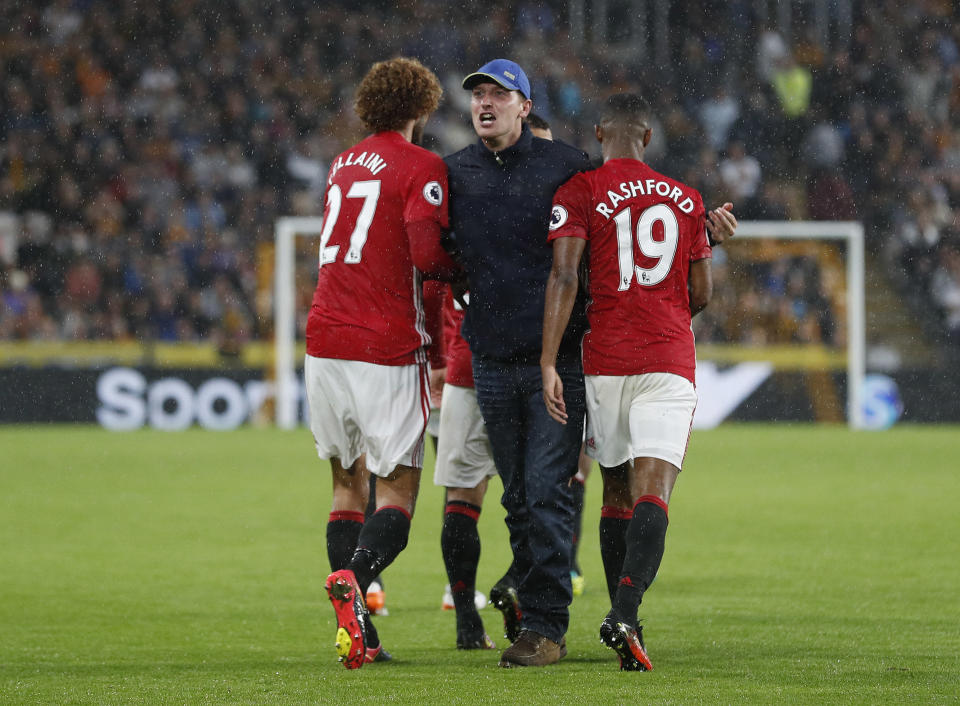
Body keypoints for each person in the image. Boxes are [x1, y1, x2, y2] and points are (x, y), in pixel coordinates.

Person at [540, 92, 725, 671]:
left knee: (615, 491)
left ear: (600, 133)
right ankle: (625, 610)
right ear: (647, 138)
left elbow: (566, 276)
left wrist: (550, 359)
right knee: (655, 490)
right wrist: (662, 314)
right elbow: (700, 295)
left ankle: (627, 617)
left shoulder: (581, 190)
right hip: (667, 358)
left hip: (605, 361)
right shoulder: (688, 200)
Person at [305, 57, 459, 670]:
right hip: (386, 345)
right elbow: (427, 255)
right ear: (422, 108)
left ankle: (359, 631)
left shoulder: (343, 164)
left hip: (324, 340)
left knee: (347, 485)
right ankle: (356, 582)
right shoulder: (424, 166)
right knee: (397, 494)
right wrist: (464, 268)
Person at [444, 58, 595, 668]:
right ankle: (534, 610)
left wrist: (703, 238)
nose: (485, 103)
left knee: (547, 494)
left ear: (525, 106)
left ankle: (546, 628)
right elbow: (439, 251)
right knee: (516, 499)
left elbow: (610, 237)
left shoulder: (570, 167)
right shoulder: (455, 173)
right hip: (491, 359)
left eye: (498, 94)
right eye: (478, 94)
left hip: (556, 363)